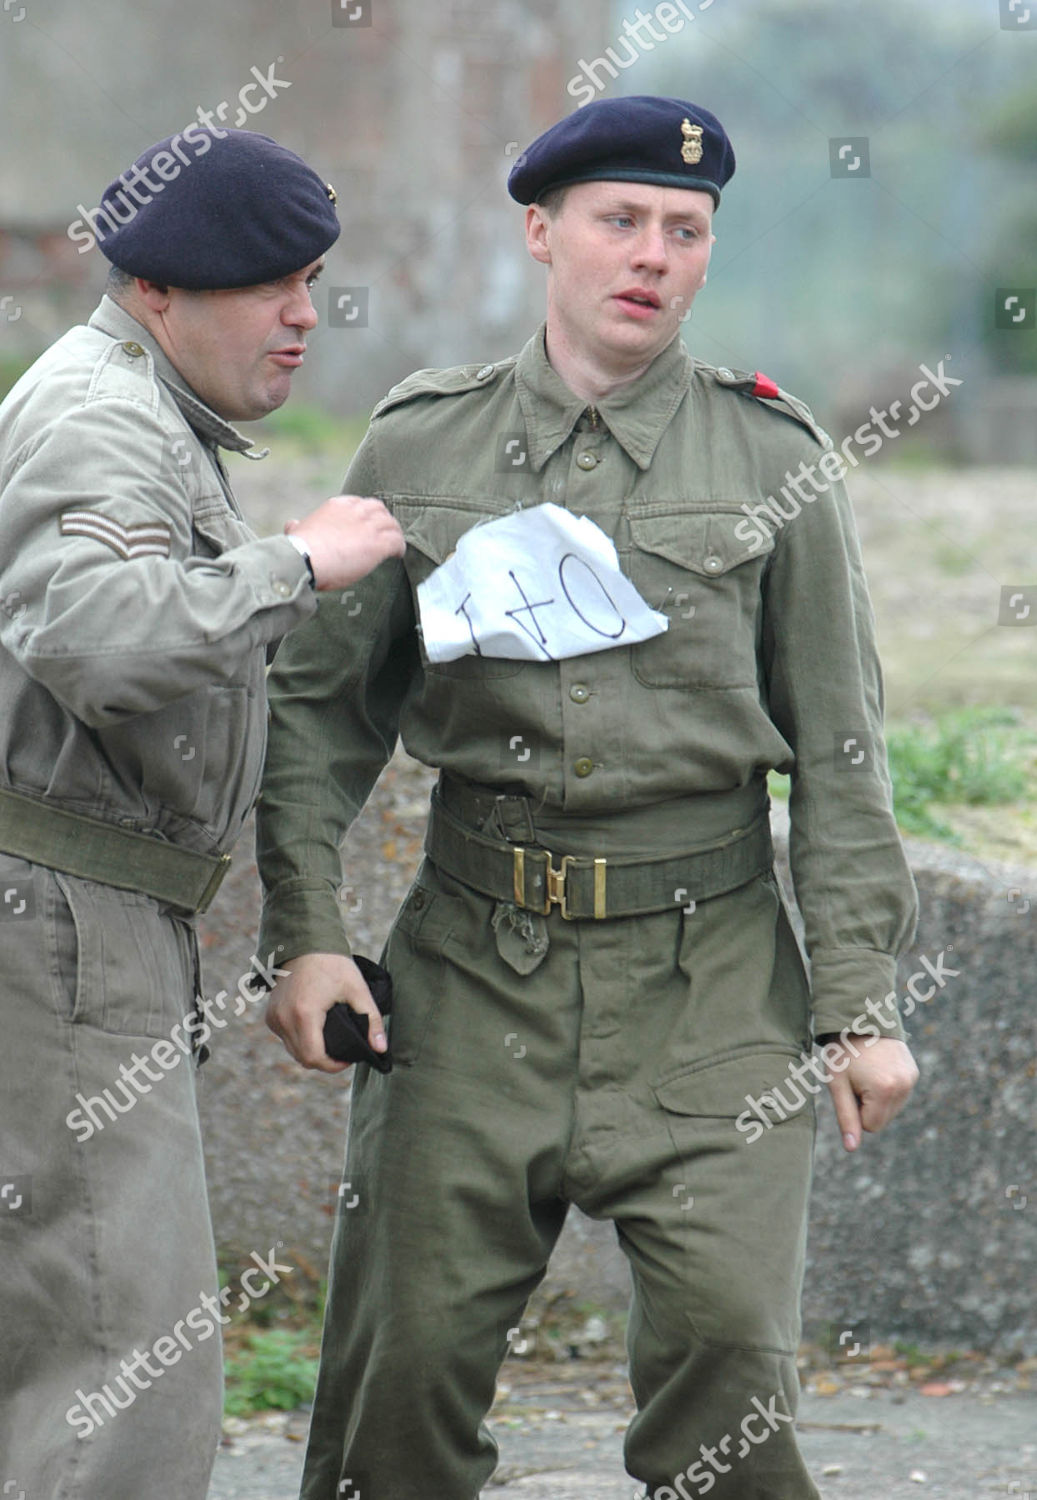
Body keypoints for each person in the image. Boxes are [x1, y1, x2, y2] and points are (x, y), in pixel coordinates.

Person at [257, 96, 919, 1499]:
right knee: (400, 1379)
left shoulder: (771, 458)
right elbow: (318, 714)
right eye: (620, 220)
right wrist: (306, 935)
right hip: (468, 970)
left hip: (711, 981)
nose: (653, 255)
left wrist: (859, 1004)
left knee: (730, 1367)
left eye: (687, 230)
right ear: (541, 233)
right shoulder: (422, 445)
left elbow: (842, 751)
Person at [0, 128, 404, 1500]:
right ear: (158, 291)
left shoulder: (139, 408)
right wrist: (298, 564)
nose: (303, 315)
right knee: (123, 1379)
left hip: (86, 917)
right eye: (266, 285)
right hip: (63, 928)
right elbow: (96, 640)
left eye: (311, 281)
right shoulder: (103, 416)